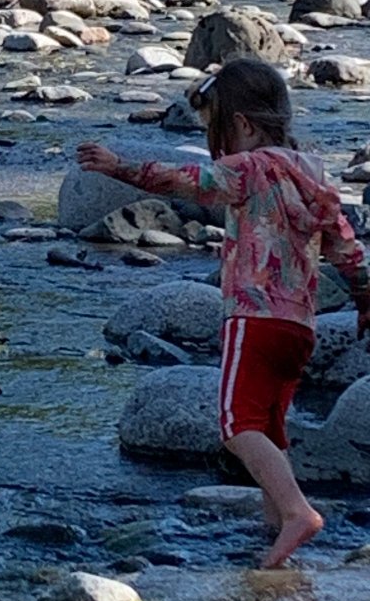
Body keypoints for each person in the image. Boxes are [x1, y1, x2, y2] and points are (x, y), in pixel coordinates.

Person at [76, 57, 370, 570]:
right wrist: (364, 298)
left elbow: (184, 179)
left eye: (217, 131)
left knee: (236, 425)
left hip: (253, 318)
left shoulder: (250, 169)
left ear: (243, 125)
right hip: (299, 326)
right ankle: (275, 531)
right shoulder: (312, 171)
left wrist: (118, 166)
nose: (218, 145)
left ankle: (298, 513)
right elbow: (344, 243)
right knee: (270, 429)